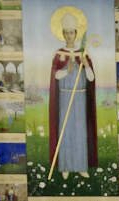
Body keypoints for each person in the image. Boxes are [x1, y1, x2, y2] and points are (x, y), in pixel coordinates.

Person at [48, 11, 97, 175]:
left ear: (76, 33)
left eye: (72, 32)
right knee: (66, 130)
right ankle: (66, 166)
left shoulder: (83, 54)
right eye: (66, 33)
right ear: (63, 34)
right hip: (64, 96)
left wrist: (87, 65)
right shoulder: (59, 54)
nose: (69, 36)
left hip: (80, 98)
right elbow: (55, 76)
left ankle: (81, 166)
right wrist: (66, 70)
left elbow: (91, 78)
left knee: (79, 131)